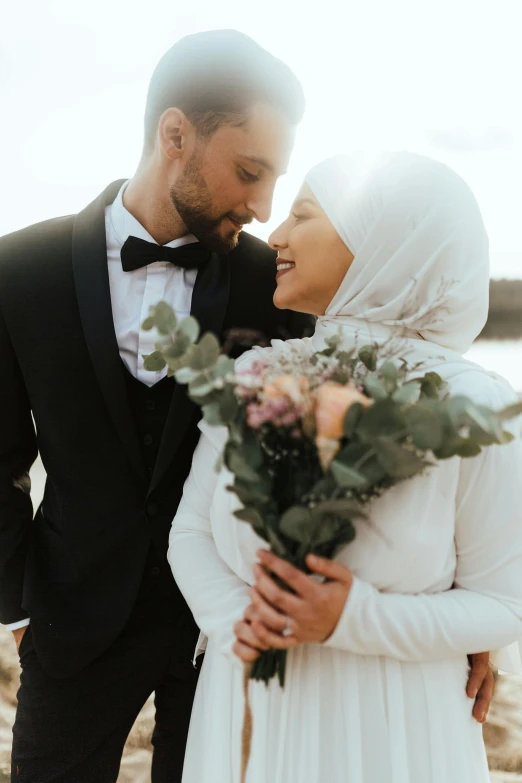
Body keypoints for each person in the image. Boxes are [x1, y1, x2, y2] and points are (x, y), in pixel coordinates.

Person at [0, 29, 312, 783]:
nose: (265, 205)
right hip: (70, 620)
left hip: (219, 627)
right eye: (249, 171)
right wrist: (17, 608)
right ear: (175, 133)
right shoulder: (18, 272)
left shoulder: (274, 283)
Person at [169, 151, 522, 783]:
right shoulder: (254, 377)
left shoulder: (481, 407)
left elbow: (505, 603)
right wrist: (237, 624)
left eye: (303, 215)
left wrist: (352, 619)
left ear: (382, 245)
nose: (274, 234)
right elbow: (191, 531)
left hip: (397, 724)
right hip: (248, 697)